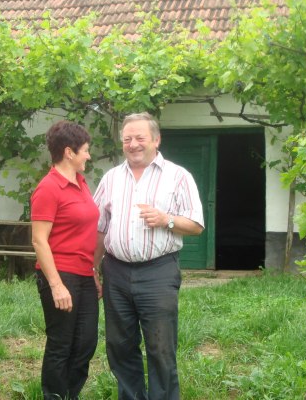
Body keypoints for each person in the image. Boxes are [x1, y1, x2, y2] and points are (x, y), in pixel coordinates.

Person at [93, 112, 205, 399]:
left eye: (140, 138)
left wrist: (166, 219)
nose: (133, 144)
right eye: (127, 139)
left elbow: (196, 225)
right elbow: (100, 229)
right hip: (116, 272)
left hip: (158, 272)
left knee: (161, 347)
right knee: (119, 345)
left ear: (156, 139)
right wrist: (94, 270)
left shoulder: (178, 176)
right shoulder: (111, 178)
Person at [31, 120, 101, 400]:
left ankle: (70, 394)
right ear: (69, 152)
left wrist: (93, 272)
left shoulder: (81, 183)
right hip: (60, 275)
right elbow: (39, 240)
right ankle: (54, 396)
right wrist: (57, 285)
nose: (89, 155)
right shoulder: (49, 188)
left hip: (84, 275)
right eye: (85, 150)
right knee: (61, 343)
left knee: (85, 343)